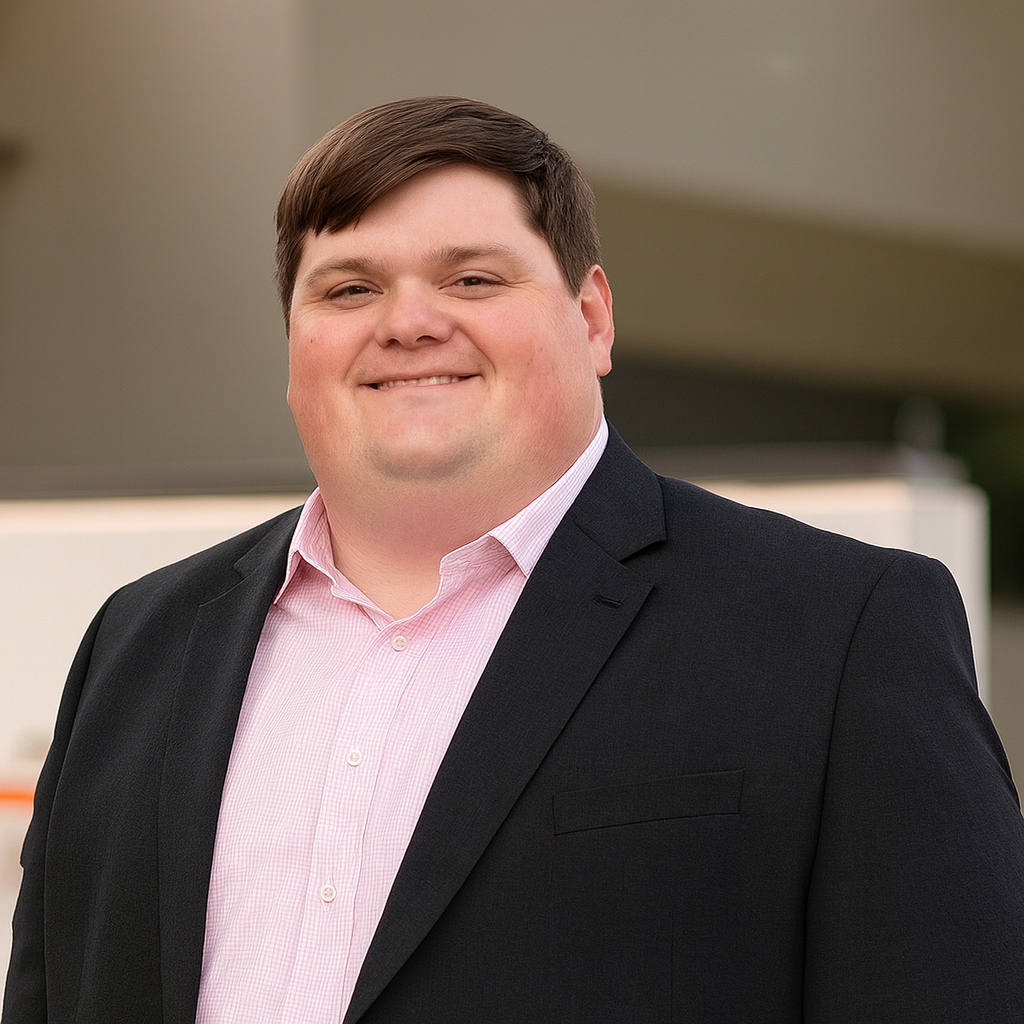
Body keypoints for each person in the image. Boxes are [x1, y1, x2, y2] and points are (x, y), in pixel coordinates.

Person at [4, 96, 1024, 1024]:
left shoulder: (837, 631)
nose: (408, 323)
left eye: (473, 279)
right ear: (293, 343)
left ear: (592, 319)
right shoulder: (136, 644)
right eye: (349, 288)